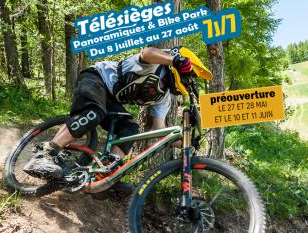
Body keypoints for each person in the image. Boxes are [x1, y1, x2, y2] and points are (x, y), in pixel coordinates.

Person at [23, 47, 193, 183]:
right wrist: (174, 59)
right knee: (94, 112)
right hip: (96, 78)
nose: (188, 79)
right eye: (189, 74)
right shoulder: (154, 64)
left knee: (130, 129)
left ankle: (104, 175)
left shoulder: (164, 98)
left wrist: (186, 141)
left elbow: (159, 128)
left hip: (111, 99)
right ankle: (45, 154)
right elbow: (147, 52)